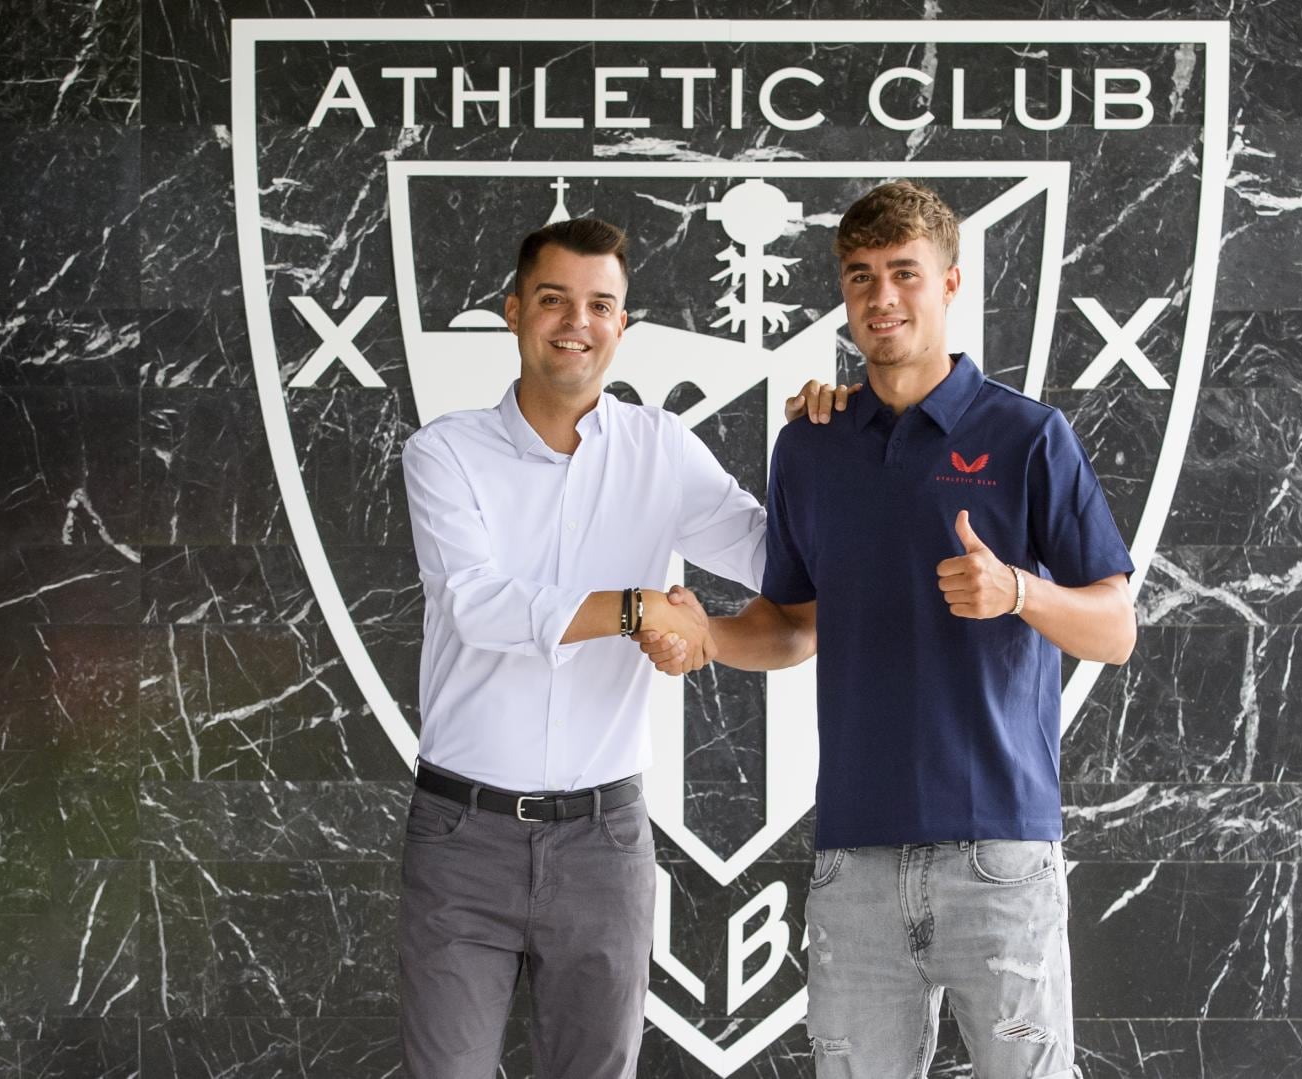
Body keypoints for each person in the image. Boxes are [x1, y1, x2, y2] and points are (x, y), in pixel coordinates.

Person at [644, 180, 1136, 1077]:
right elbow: (794, 624)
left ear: (950, 284)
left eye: (904, 273)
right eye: (861, 276)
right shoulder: (810, 444)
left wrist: (1019, 592)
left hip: (1001, 854)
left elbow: (1116, 628)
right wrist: (710, 635)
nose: (882, 298)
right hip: (854, 862)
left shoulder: (1029, 437)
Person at [396, 215, 834, 1078]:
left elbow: (775, 557)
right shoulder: (444, 452)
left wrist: (832, 445)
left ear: (623, 326)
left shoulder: (659, 449)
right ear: (514, 311)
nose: (577, 322)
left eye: (601, 305)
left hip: (603, 842)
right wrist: (638, 609)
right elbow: (479, 605)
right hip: (462, 837)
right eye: (554, 299)